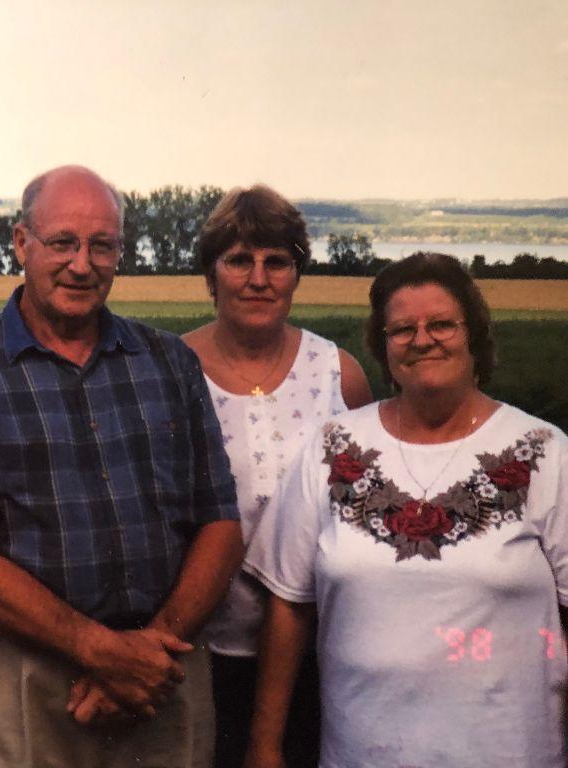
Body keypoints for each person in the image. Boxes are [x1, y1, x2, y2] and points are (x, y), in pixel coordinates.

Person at [0, 165, 244, 768]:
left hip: (163, 667)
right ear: (21, 243)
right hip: (18, 679)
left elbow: (219, 522)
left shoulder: (169, 363)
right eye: (63, 242)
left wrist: (143, 657)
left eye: (101, 246)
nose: (82, 264)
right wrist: (100, 651)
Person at [243, 252, 568, 768]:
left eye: (442, 324)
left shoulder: (545, 451)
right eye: (402, 329)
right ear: (382, 343)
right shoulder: (334, 446)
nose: (422, 340)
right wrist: (264, 747)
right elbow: (288, 604)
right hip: (360, 753)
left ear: (475, 335)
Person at [180, 185, 372, 767]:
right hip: (200, 653)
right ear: (212, 276)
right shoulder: (170, 369)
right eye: (239, 260)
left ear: (296, 274)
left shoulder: (339, 373)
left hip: (325, 653)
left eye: (277, 261)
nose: (258, 278)